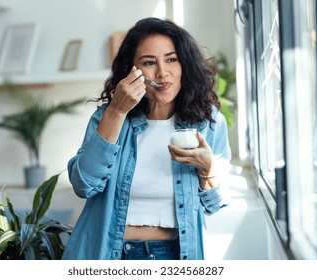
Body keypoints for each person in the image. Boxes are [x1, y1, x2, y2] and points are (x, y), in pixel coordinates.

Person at [62, 17, 231, 260]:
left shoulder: (207, 123)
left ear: (185, 64)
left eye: (171, 59)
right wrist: (117, 111)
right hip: (110, 254)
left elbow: (214, 205)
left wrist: (207, 169)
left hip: (174, 255)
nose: (163, 73)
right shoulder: (108, 117)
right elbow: (84, 184)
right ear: (132, 71)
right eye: (149, 62)